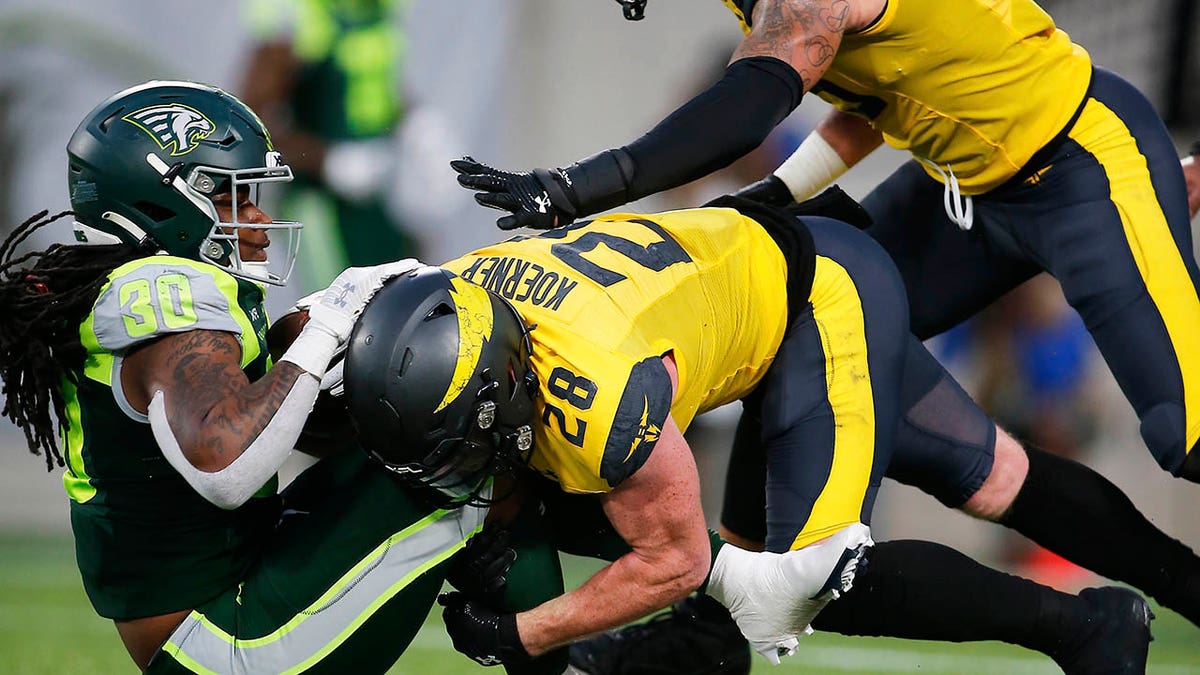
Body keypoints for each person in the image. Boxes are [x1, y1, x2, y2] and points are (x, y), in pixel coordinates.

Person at [450, 0, 1200, 635]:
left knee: (1185, 434)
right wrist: (776, 195)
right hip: (964, 188)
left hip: (1081, 163)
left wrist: (577, 186)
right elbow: (876, 94)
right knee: (798, 316)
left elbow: (752, 101)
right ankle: (710, 640)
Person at [342, 195, 1153, 673]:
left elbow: (678, 557)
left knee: (811, 577)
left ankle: (1086, 626)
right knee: (981, 475)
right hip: (740, 297)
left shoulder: (590, 395)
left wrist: (525, 630)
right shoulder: (460, 314)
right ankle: (703, 652)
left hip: (817, 296)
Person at [0, 80, 545, 675]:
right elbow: (226, 467)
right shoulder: (164, 296)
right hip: (222, 643)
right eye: (235, 198)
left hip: (225, 594)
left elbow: (304, 437)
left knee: (415, 440)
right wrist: (326, 329)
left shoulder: (133, 283)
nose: (258, 220)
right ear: (163, 201)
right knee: (464, 452)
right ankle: (548, 647)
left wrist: (340, 370)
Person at [239, 0, 420, 291]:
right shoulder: (294, 15)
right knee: (340, 308)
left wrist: (417, 124)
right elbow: (250, 119)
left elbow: (369, 84)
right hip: (321, 203)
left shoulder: (382, 9)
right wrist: (326, 160)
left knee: (405, 294)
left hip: (380, 196)